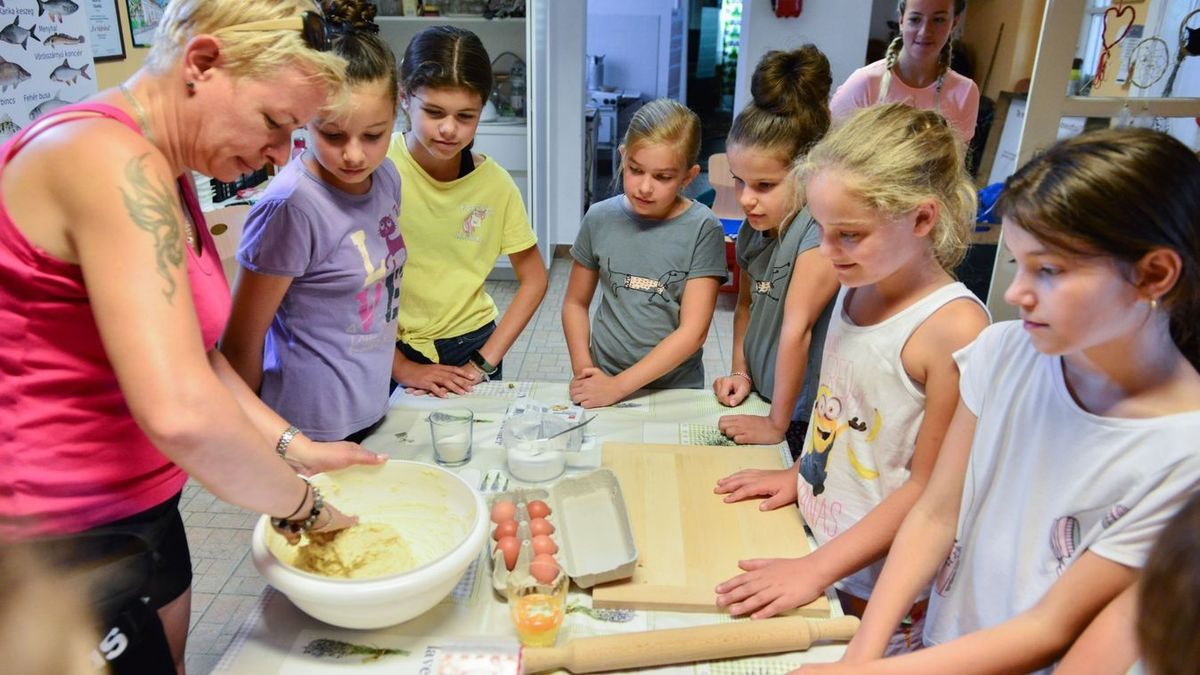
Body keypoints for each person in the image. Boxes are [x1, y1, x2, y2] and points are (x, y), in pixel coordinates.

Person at [0, 1, 384, 672]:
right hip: (51, 540)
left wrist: (295, 446)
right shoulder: (103, 159)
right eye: (274, 122)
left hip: (143, 506)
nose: (277, 153)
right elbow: (179, 409)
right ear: (203, 64)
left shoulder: (167, 171)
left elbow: (199, 354)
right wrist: (304, 507)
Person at [806, 127, 1200, 675]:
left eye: (1050, 271)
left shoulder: (1185, 455)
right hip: (937, 647)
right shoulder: (1003, 352)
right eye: (1018, 265)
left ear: (1154, 274)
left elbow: (1048, 628)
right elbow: (935, 513)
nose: (1015, 294)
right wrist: (862, 653)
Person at [713, 104, 989, 656]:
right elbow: (840, 411)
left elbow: (928, 492)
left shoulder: (954, 329)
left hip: (874, 580)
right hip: (815, 533)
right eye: (819, 228)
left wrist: (817, 569)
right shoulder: (858, 281)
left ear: (922, 219)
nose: (826, 250)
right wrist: (800, 473)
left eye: (849, 234)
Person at [223, 0, 405, 444]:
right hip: (309, 426)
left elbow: (376, 301)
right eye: (333, 134)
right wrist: (264, 445)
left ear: (397, 112)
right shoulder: (292, 208)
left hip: (372, 404)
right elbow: (241, 345)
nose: (355, 154)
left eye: (373, 134)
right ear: (308, 118)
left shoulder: (385, 178)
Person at [387, 25, 547, 396]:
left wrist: (484, 361)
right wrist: (403, 367)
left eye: (465, 116)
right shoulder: (379, 168)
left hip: (468, 345)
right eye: (434, 111)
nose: (449, 129)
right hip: (385, 348)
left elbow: (535, 279)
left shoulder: (496, 185)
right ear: (405, 98)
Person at [710, 45, 839, 456]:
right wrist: (740, 372)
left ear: (808, 173)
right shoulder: (752, 231)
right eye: (739, 181)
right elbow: (746, 306)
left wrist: (777, 423)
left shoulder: (816, 233)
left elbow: (797, 328)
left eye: (765, 186)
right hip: (763, 397)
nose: (747, 199)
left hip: (802, 415)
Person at [562, 98, 727, 408]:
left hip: (674, 391)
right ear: (623, 157)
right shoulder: (599, 217)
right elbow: (574, 302)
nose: (645, 187)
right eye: (635, 170)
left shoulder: (704, 228)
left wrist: (618, 388)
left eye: (663, 177)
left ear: (688, 176)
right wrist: (586, 372)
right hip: (603, 378)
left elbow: (693, 332)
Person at [829, 0, 979, 143]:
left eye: (938, 20)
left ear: (954, 22)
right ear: (901, 20)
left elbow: (956, 165)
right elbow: (828, 150)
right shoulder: (864, 84)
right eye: (915, 19)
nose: (924, 31)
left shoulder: (965, 93)